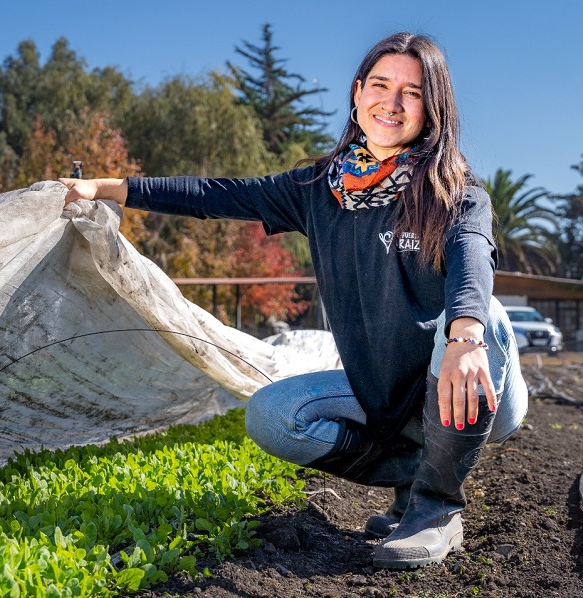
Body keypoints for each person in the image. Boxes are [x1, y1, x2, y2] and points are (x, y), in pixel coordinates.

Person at [60, 31, 528, 570]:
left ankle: (435, 509)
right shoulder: (317, 188)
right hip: (381, 386)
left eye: (413, 91)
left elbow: (472, 256)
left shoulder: (455, 191)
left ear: (433, 106)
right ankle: (415, 474)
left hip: (473, 385)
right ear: (357, 93)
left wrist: (465, 334)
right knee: (273, 415)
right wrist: (110, 187)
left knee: (482, 315)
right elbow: (219, 195)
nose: (392, 102)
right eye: (380, 84)